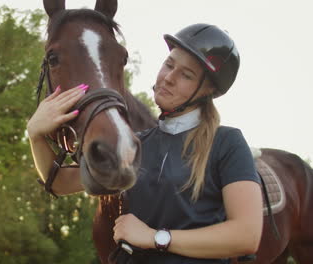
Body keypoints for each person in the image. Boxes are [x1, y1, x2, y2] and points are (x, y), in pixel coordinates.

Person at [27, 23, 263, 264]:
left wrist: (155, 238)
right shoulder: (137, 143)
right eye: (169, 65)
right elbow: (58, 183)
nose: (169, 78)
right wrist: (35, 134)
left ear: (208, 90)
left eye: (186, 75)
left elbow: (246, 236)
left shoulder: (227, 143)